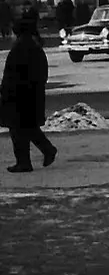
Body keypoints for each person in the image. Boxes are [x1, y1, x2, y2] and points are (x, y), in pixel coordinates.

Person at [3, 9, 57, 173]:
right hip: (31, 95)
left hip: (20, 96)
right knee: (28, 127)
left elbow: (14, 75)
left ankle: (24, 162)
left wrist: (6, 91)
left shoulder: (21, 48)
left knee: (18, 129)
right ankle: (47, 150)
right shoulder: (33, 46)